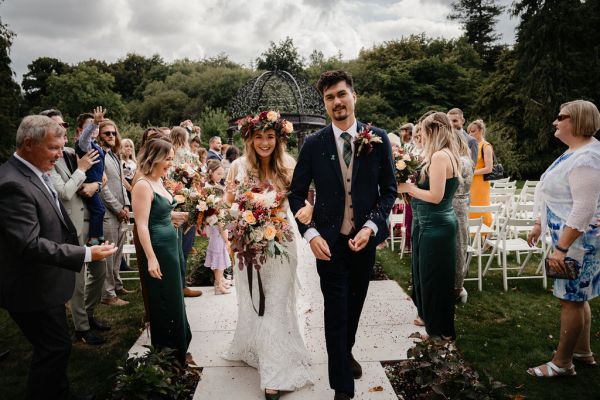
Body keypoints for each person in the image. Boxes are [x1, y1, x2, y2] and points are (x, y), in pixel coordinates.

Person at [289, 70, 397, 400]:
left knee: (354, 305)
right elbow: (295, 194)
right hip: (329, 244)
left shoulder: (377, 138)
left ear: (353, 96)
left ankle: (345, 351)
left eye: (341, 94)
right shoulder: (313, 143)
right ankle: (342, 389)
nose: (336, 102)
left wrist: (371, 226)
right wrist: (310, 234)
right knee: (335, 310)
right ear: (325, 104)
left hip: (364, 242)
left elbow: (389, 190)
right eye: (329, 97)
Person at [0, 115, 116, 400]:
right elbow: (28, 244)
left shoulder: (33, 171)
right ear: (28, 144)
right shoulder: (12, 183)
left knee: (57, 346)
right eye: (53, 148)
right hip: (31, 286)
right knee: (53, 348)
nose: (59, 154)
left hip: (45, 280)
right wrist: (85, 252)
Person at [223, 111, 315, 400]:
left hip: (282, 246)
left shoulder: (289, 165)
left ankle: (274, 374)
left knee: (275, 304)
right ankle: (258, 349)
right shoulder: (238, 166)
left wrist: (309, 209)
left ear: (279, 139)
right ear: (249, 138)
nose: (265, 142)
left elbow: (304, 199)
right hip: (249, 248)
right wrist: (241, 225)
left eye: (270, 137)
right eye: (259, 136)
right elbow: (228, 204)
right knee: (254, 302)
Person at [526, 100, 600, 378]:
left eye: (561, 116)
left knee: (571, 300)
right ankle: (583, 352)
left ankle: (562, 363)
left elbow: (584, 207)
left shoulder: (588, 157)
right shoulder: (574, 152)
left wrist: (561, 247)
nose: (555, 122)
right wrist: (538, 223)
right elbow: (550, 192)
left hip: (576, 239)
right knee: (578, 297)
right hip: (568, 236)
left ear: (577, 120)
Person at [398, 111, 461, 342]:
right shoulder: (442, 154)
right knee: (428, 278)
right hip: (430, 224)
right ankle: (436, 327)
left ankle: (439, 333)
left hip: (436, 226)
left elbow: (435, 196)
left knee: (435, 281)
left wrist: (407, 188)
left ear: (433, 132)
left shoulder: (440, 157)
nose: (421, 136)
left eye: (423, 132)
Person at [49, 112, 111, 345]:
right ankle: (81, 327)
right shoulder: (49, 161)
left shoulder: (72, 153)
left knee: (100, 270)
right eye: (57, 125)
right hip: (70, 226)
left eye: (64, 124)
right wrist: (82, 170)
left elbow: (97, 180)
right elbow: (64, 192)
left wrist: (95, 182)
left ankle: (89, 312)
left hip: (90, 221)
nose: (61, 129)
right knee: (78, 278)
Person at [132, 138, 193, 365]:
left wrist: (175, 217)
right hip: (158, 248)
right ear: (155, 158)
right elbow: (142, 225)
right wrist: (150, 258)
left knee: (175, 297)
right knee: (164, 300)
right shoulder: (142, 185)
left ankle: (180, 347)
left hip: (171, 247)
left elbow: (162, 213)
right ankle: (168, 353)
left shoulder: (159, 181)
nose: (171, 163)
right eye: (167, 158)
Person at [98, 119, 132, 306]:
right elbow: (102, 189)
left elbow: (120, 182)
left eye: (113, 133)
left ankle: (118, 285)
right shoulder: (98, 155)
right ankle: (108, 295)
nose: (111, 136)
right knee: (109, 255)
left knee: (118, 252)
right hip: (107, 212)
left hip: (120, 210)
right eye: (107, 133)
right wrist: (117, 208)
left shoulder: (114, 155)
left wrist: (126, 205)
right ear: (99, 135)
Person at [75, 107, 107, 246]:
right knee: (99, 210)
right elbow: (85, 138)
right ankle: (94, 238)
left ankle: (97, 235)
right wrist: (94, 122)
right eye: (90, 125)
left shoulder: (96, 145)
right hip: (87, 183)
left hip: (96, 185)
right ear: (81, 130)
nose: (95, 127)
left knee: (99, 210)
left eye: (97, 125)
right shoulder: (84, 144)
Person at [451, 128, 474, 303]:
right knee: (460, 245)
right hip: (462, 205)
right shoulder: (467, 159)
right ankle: (457, 285)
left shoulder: (460, 161)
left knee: (458, 247)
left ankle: (457, 288)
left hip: (456, 206)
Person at [203, 160, 232, 294]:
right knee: (219, 253)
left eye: (222, 173)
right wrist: (224, 233)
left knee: (219, 253)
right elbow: (217, 211)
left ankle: (219, 281)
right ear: (210, 172)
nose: (221, 176)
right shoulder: (209, 188)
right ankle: (218, 284)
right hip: (216, 225)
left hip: (217, 223)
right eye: (218, 173)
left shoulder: (215, 186)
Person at [467, 119, 493, 227]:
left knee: (481, 208)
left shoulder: (486, 146)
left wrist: (473, 172)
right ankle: (472, 234)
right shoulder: (471, 145)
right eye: (469, 132)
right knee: (470, 208)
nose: (470, 134)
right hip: (470, 182)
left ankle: (485, 233)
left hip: (481, 184)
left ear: (481, 130)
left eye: (473, 131)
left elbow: (489, 168)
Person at [120, 138, 137, 203]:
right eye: (126, 146)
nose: (129, 148)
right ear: (121, 148)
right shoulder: (119, 161)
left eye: (131, 146)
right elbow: (121, 178)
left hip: (134, 186)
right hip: (124, 187)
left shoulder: (134, 162)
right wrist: (130, 189)